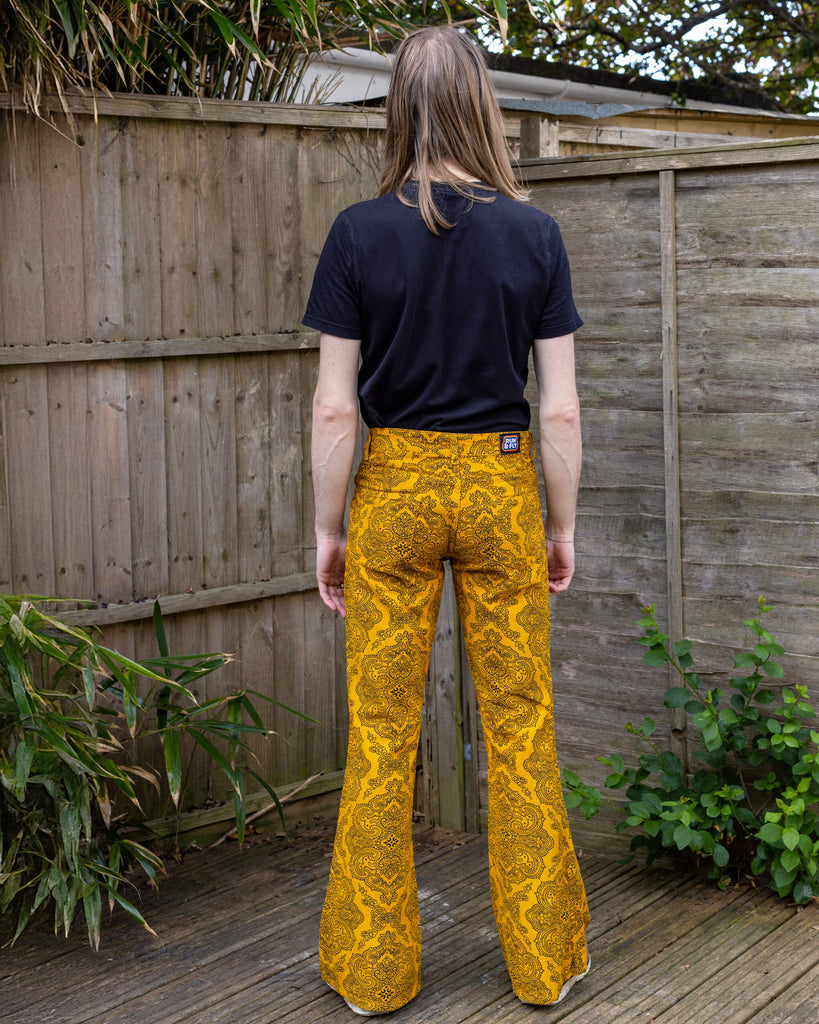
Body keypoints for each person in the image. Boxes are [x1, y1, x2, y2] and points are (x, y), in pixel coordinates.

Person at [303, 25, 590, 1017]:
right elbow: (559, 410)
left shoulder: (356, 233)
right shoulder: (535, 235)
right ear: (480, 104)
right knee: (520, 725)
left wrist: (328, 530)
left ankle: (373, 973)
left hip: (393, 492)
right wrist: (560, 526)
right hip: (503, 488)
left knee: (382, 734)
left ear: (399, 107)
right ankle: (544, 966)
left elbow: (335, 409)